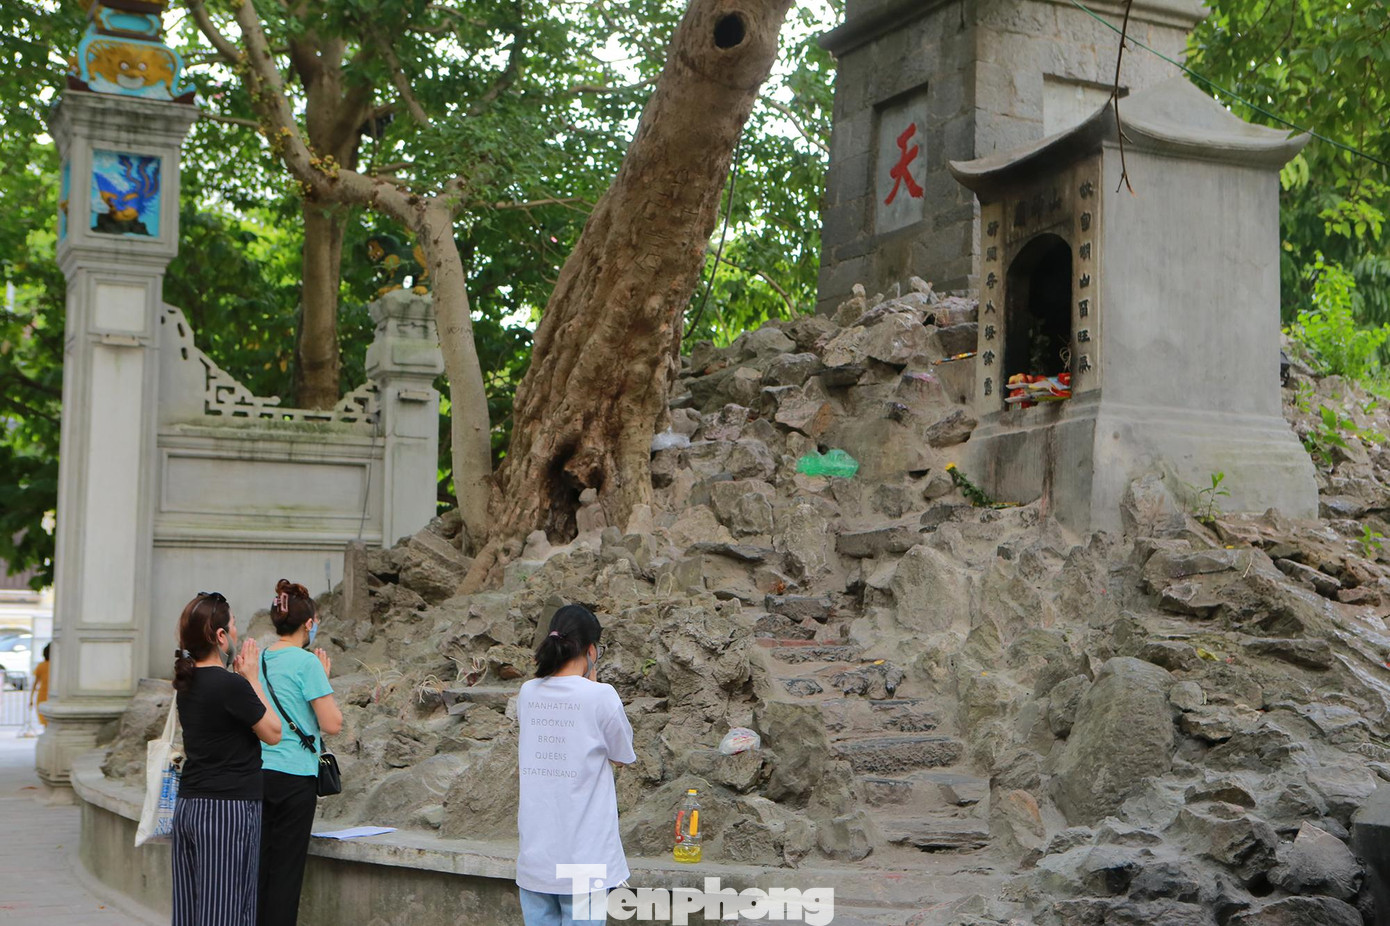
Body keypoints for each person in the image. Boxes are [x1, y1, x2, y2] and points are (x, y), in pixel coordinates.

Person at [516, 604, 637, 926]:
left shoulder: (527, 692)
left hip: (536, 858)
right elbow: (623, 756)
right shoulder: (601, 696)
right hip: (585, 860)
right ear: (592, 650)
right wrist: (593, 684)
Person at [171, 592, 282, 926]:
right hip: (227, 809)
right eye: (233, 625)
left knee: (190, 911)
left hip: (190, 805)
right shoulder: (230, 685)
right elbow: (273, 732)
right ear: (220, 636)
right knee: (228, 912)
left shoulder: (187, 683)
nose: (236, 631)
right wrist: (253, 679)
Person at [257, 579, 341, 926]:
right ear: (308, 624)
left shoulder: (259, 660)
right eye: (315, 620)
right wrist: (323, 679)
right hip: (295, 778)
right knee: (286, 874)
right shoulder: (308, 664)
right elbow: (332, 723)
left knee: (259, 869)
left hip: (258, 773)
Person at [29, 643, 50, 726]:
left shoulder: (41, 666)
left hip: (42, 696)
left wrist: (31, 699)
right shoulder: (57, 666)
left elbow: (35, 683)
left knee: (45, 721)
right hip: (50, 696)